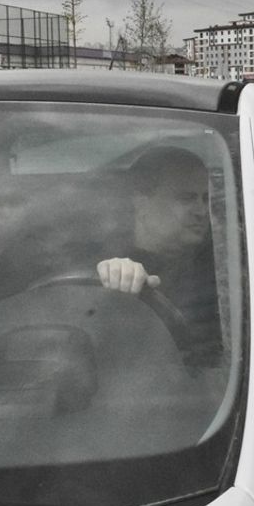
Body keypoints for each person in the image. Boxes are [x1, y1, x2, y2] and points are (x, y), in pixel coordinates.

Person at [96, 146, 222, 363]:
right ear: (141, 203)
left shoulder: (223, 267)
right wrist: (117, 277)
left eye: (205, 198)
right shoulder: (104, 266)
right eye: (186, 198)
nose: (202, 211)